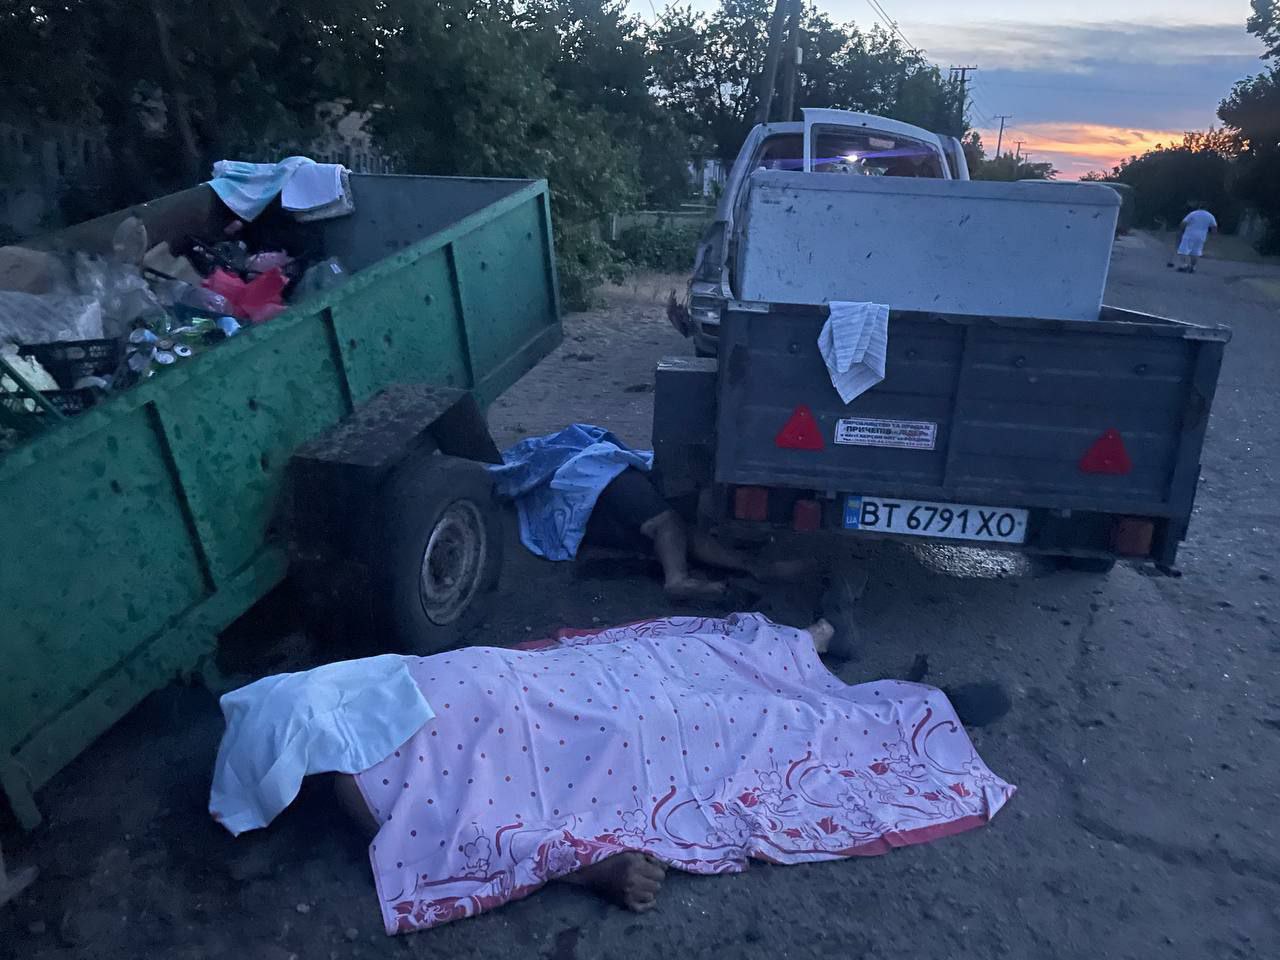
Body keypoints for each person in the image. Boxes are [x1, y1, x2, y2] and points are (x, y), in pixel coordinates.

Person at [211, 614, 1014, 935]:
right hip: (581, 745)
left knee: (671, 663)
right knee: (726, 729)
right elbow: (477, 839)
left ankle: (808, 639)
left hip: (540, 682)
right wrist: (595, 871)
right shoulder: (369, 795)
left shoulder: (354, 690)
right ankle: (912, 713)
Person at [489, 424, 809, 601]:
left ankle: (754, 567)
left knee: (678, 530)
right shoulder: (628, 480)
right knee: (669, 524)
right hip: (592, 478)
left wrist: (751, 564)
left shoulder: (664, 505)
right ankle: (678, 580)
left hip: (598, 509)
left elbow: (690, 533)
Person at [1174, 204, 1218, 273]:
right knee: (1196, 252)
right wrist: (1214, 236)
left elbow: (1184, 223)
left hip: (1189, 235)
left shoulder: (1193, 213)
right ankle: (1193, 267)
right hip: (1201, 236)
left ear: (1199, 207)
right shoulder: (1210, 216)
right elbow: (1214, 227)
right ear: (1207, 208)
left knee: (1183, 250)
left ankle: (1184, 265)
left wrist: (1181, 230)